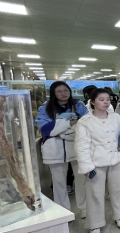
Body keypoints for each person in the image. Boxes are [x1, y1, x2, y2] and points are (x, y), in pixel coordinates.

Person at [75, 88, 120, 233]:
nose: (106, 102)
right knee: (95, 193)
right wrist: (86, 167)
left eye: (108, 99)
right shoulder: (85, 122)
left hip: (115, 159)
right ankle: (95, 223)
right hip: (96, 163)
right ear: (93, 102)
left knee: (118, 189)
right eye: (101, 99)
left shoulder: (115, 117)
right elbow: (81, 146)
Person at [36, 81, 89, 215]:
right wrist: (70, 123)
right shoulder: (45, 108)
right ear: (53, 93)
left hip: (77, 147)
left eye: (66, 90)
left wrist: (60, 129)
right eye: (59, 91)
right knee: (59, 183)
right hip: (54, 150)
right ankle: (63, 212)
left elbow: (87, 125)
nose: (63, 93)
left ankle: (84, 208)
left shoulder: (78, 105)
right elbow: (46, 129)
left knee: (82, 180)